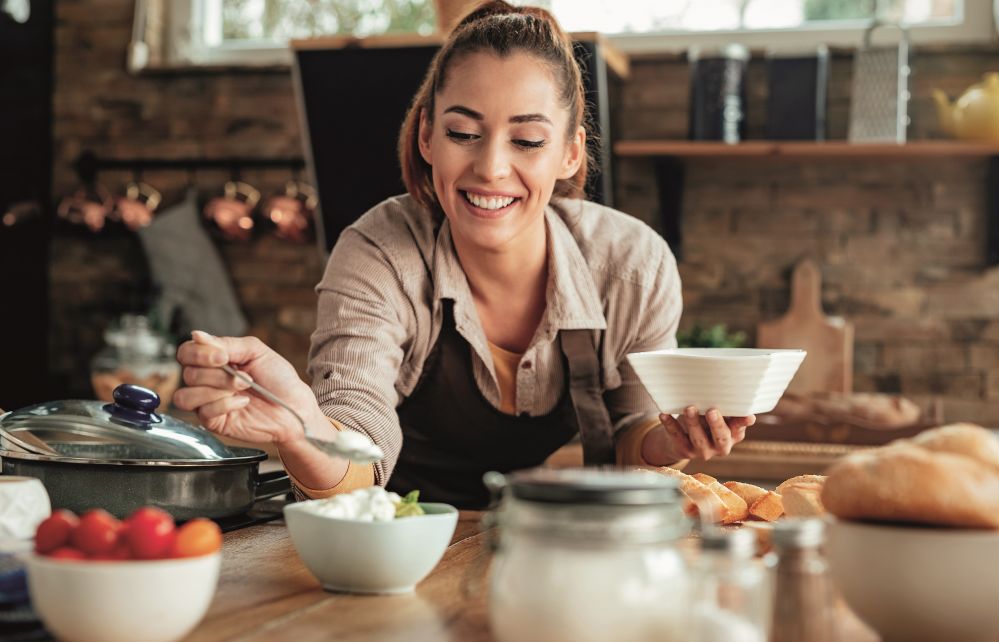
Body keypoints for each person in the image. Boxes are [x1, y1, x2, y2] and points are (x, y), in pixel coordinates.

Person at [174, 1, 756, 509]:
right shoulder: (378, 253)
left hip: (550, 533)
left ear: (571, 153)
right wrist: (301, 427)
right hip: (399, 537)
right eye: (462, 133)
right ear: (427, 136)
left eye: (527, 141)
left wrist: (671, 442)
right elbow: (354, 453)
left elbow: (634, 437)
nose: (491, 168)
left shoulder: (632, 266)